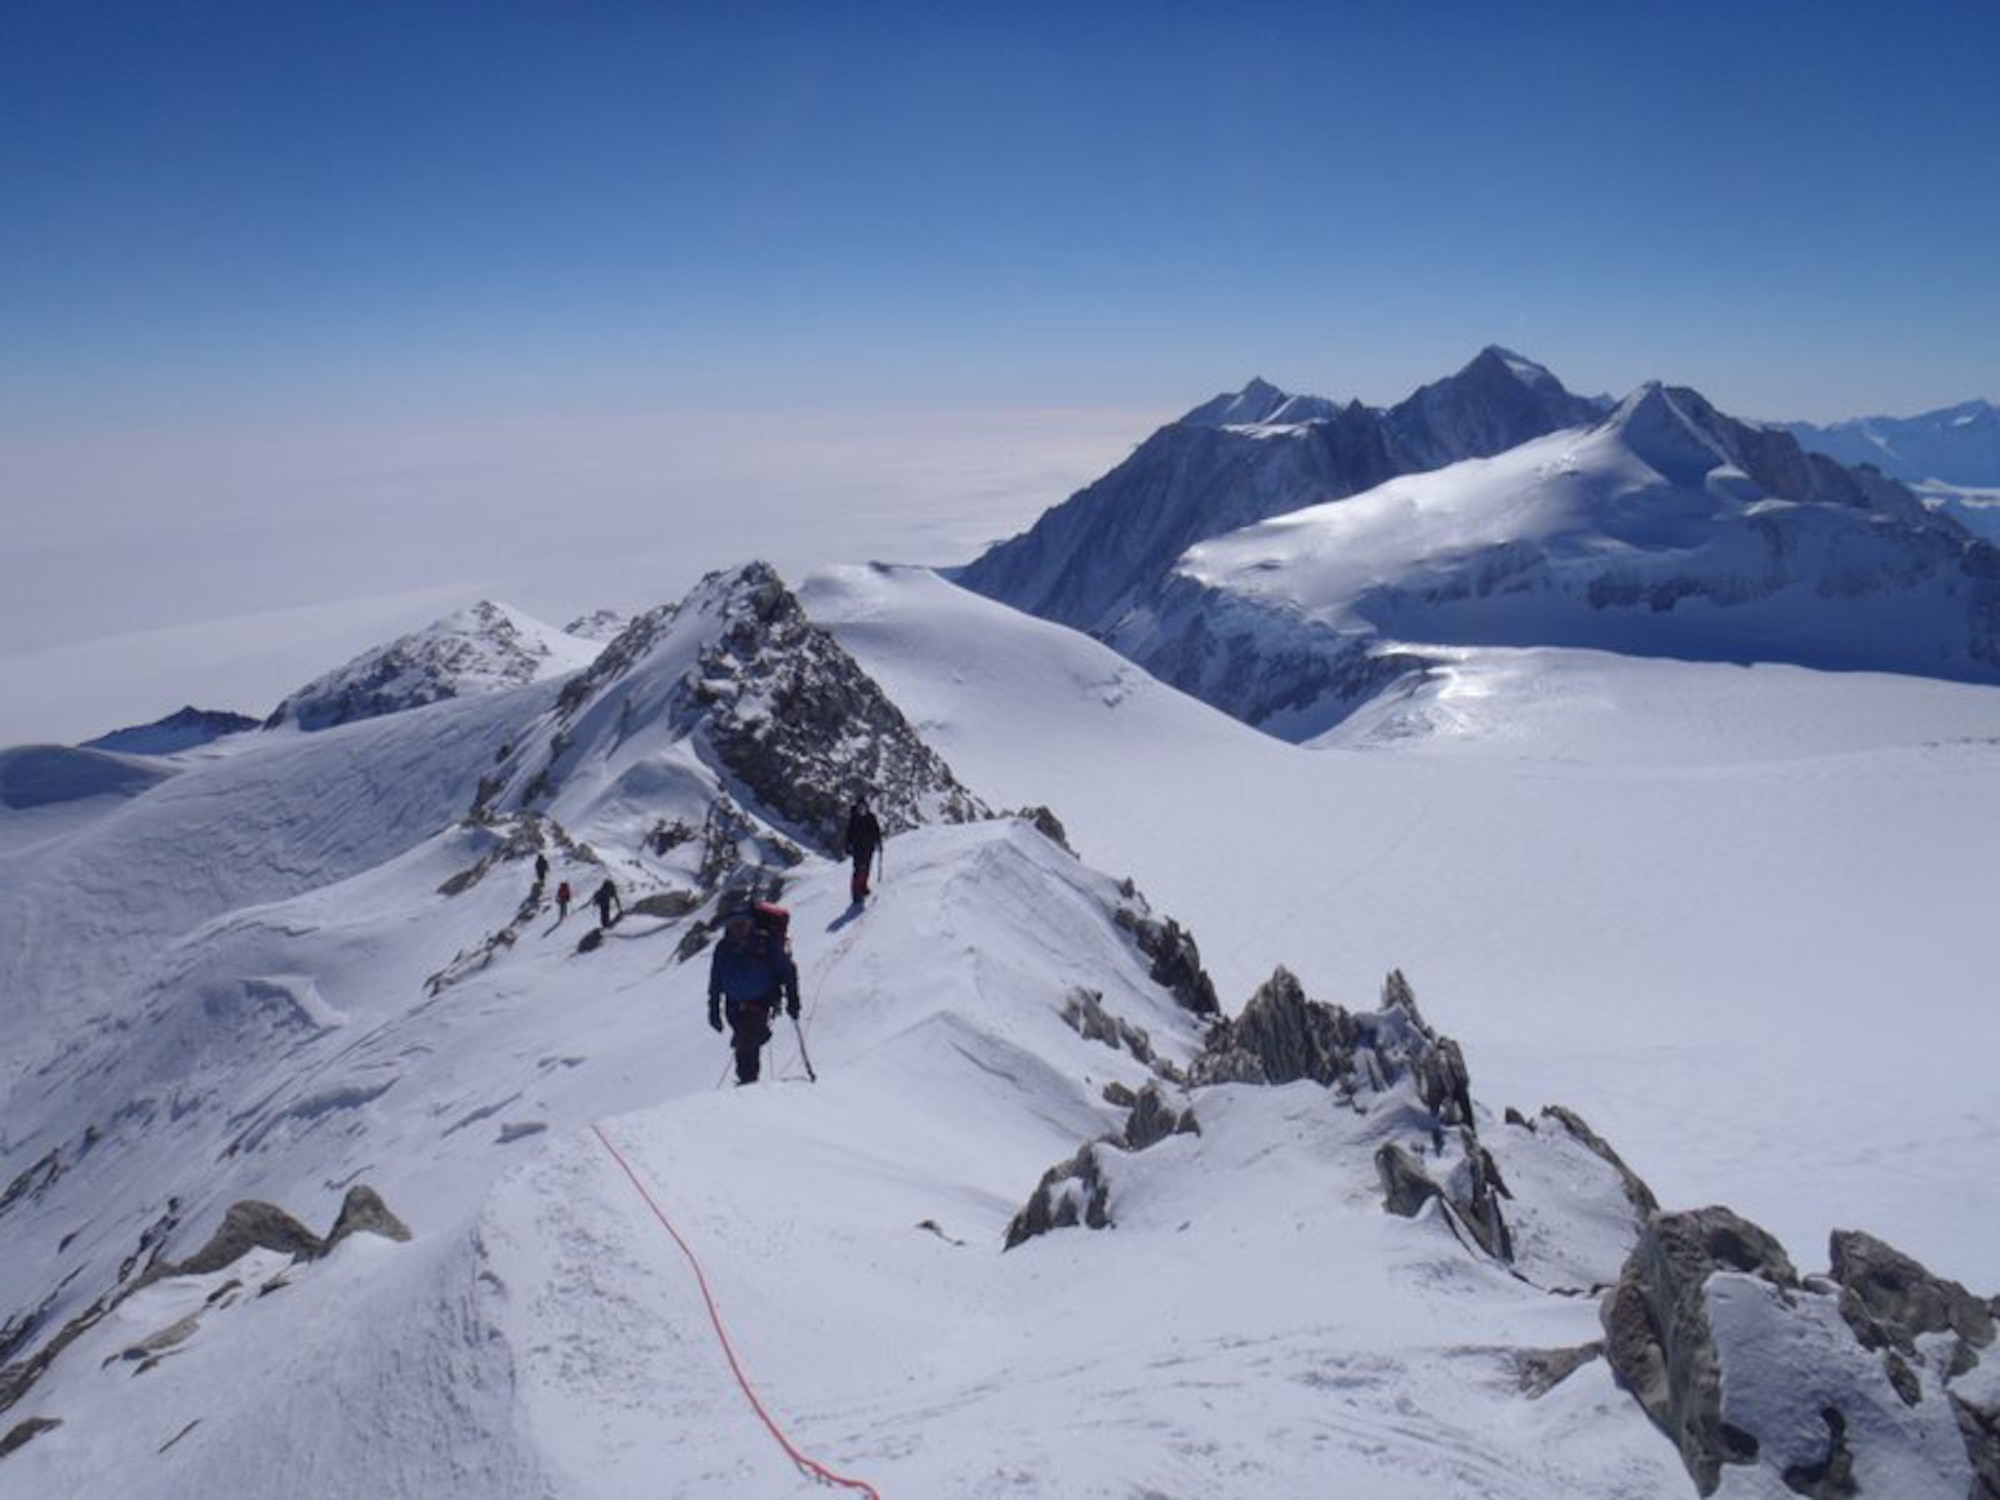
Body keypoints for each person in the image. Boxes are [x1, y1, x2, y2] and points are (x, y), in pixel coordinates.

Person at [707, 907, 800, 1085]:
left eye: (743, 923)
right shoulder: (723, 948)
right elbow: (716, 981)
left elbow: (787, 971)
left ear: (751, 923)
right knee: (745, 1038)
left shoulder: (764, 942)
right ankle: (747, 1079)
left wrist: (793, 1000)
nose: (739, 928)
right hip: (733, 1005)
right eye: (735, 925)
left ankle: (748, 1081)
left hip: (762, 1000)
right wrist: (714, 1011)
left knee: (747, 1038)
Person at [844, 798, 883, 904]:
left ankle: (863, 887)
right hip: (858, 848)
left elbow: (876, 831)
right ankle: (856, 893)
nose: (862, 810)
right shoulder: (854, 819)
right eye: (860, 808)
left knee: (866, 869)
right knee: (858, 870)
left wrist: (879, 842)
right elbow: (849, 834)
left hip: (869, 848)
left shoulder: (871, 817)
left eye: (864, 807)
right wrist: (847, 846)